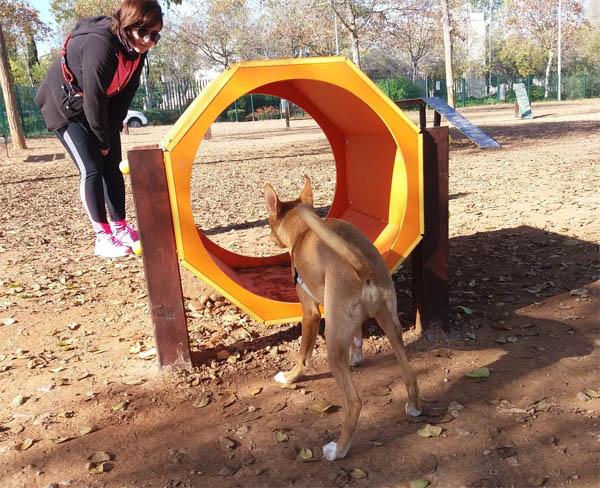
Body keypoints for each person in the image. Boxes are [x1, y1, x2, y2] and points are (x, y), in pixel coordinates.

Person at [35, 0, 163, 258]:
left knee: (113, 165)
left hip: (96, 105)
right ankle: (102, 237)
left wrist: (112, 132)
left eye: (155, 35)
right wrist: (101, 140)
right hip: (65, 105)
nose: (149, 40)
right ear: (128, 26)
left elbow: (126, 92)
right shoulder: (101, 43)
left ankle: (120, 227)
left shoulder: (137, 50)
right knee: (92, 167)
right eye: (144, 32)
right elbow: (94, 95)